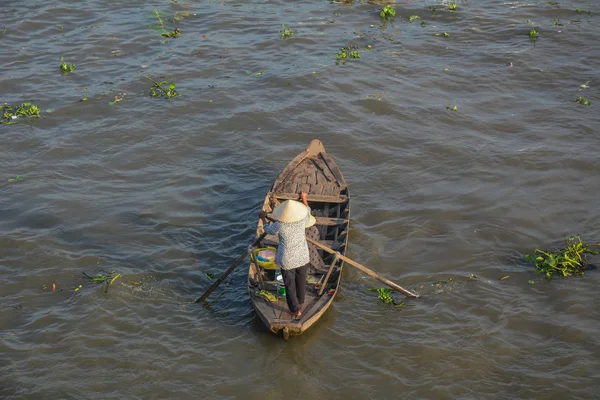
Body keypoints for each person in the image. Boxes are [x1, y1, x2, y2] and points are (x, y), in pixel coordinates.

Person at [259, 192, 316, 318]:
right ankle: (300, 301)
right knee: (300, 279)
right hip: (302, 257)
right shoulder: (302, 220)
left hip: (287, 260)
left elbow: (268, 230)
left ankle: (295, 310)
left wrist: (263, 218)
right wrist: (304, 198)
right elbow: (308, 211)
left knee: (290, 285)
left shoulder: (280, 224)